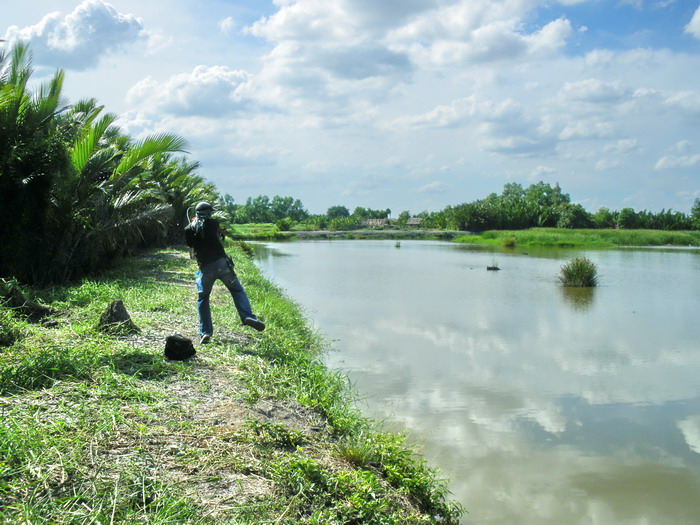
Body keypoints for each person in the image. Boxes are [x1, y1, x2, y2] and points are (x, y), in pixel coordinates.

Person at [184, 201, 265, 343]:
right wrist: (222, 234)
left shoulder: (188, 228)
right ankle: (247, 316)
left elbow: (191, 244)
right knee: (237, 290)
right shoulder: (213, 224)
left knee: (203, 298)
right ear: (208, 212)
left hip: (205, 269)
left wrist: (192, 227)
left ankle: (205, 332)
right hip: (223, 266)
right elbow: (217, 236)